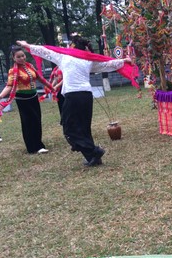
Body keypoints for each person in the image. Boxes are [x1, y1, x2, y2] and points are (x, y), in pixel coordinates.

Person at [16, 35, 138, 166]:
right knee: (84, 128)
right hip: (86, 96)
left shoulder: (64, 56)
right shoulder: (88, 59)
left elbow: (44, 51)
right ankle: (93, 158)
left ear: (73, 46)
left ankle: (94, 151)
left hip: (73, 96)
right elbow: (107, 64)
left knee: (69, 129)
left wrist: (26, 45)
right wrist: (124, 60)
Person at [0, 47, 54, 154]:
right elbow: (9, 86)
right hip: (22, 99)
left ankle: (39, 145)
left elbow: (40, 78)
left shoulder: (30, 66)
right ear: (14, 58)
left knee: (36, 120)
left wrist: (50, 87)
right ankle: (31, 147)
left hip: (33, 97)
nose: (22, 58)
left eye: (23, 56)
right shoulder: (12, 71)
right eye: (18, 57)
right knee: (27, 122)